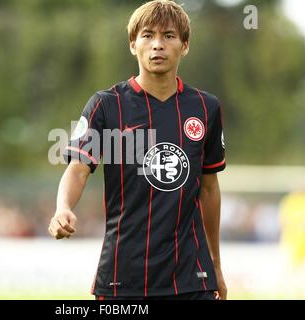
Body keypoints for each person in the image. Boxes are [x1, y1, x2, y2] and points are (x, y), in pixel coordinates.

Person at [48, 0, 227, 300]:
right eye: (147, 35)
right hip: (123, 277)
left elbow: (209, 188)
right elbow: (78, 169)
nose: (158, 45)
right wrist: (63, 207)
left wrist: (216, 266)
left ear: (184, 45)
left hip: (192, 278)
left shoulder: (206, 108)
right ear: (133, 44)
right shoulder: (106, 105)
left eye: (169, 36)